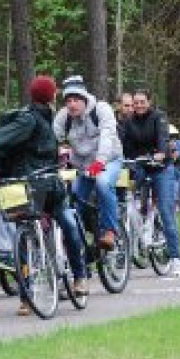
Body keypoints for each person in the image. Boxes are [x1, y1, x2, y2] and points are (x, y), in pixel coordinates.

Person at [0, 75, 89, 307]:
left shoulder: (42, 118)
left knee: (23, 234)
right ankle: (80, 276)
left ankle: (26, 297)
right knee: (66, 222)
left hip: (24, 184)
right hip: (40, 185)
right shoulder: (30, 120)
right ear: (50, 96)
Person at [53, 75, 122, 250]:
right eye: (68, 101)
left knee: (102, 183)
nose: (72, 105)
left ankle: (110, 231)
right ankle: (80, 240)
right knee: (73, 197)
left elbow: (107, 136)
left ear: (84, 99)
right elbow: (52, 140)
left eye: (76, 100)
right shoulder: (63, 117)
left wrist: (100, 162)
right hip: (83, 166)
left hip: (109, 159)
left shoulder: (101, 109)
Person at [121, 88, 180, 276]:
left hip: (161, 168)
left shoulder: (159, 117)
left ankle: (176, 259)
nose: (139, 105)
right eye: (136, 102)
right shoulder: (128, 122)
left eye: (142, 102)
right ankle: (136, 237)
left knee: (166, 211)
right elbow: (124, 145)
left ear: (149, 102)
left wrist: (161, 152)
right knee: (128, 202)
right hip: (140, 166)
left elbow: (163, 137)